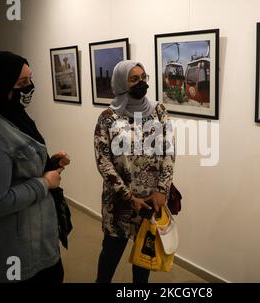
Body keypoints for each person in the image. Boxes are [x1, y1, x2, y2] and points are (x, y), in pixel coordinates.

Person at [0, 51, 71, 283]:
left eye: (30, 80)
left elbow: (16, 168)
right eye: (22, 83)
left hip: (36, 242)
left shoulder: (13, 115)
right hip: (12, 253)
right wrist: (45, 182)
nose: (29, 88)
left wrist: (48, 165)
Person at [94, 60, 175, 283]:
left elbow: (169, 150)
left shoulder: (158, 110)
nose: (141, 83)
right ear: (120, 83)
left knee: (144, 259)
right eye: (133, 79)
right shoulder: (108, 118)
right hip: (120, 203)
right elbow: (103, 162)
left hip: (151, 200)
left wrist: (162, 190)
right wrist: (129, 197)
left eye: (143, 77)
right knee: (110, 254)